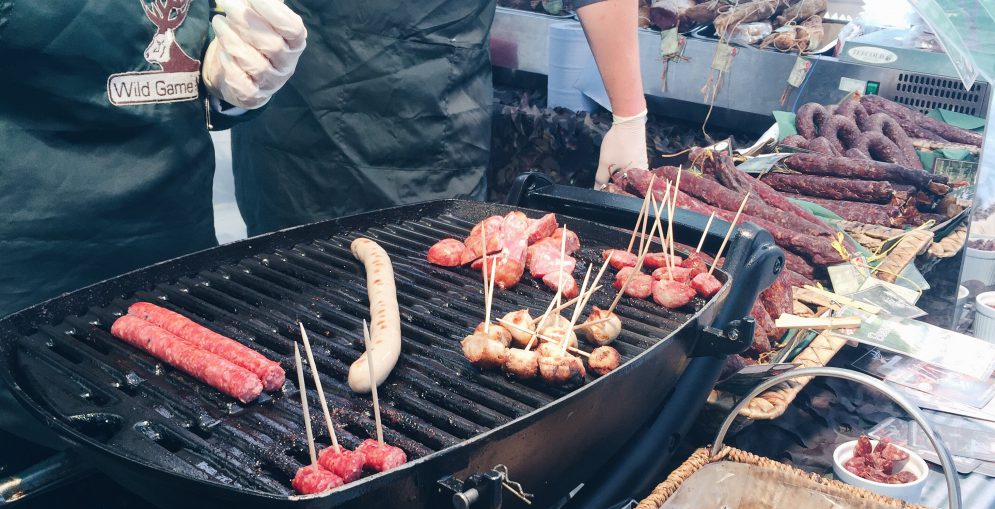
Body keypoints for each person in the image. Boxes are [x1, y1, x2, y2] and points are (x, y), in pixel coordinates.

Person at [0, 0, 306, 466]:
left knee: (182, 439)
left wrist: (241, 79)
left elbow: (195, 47)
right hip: (32, 261)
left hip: (175, 247)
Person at [231, 0, 648, 235]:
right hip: (291, 140)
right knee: (284, 317)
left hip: (430, 142)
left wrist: (630, 115)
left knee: (430, 307)